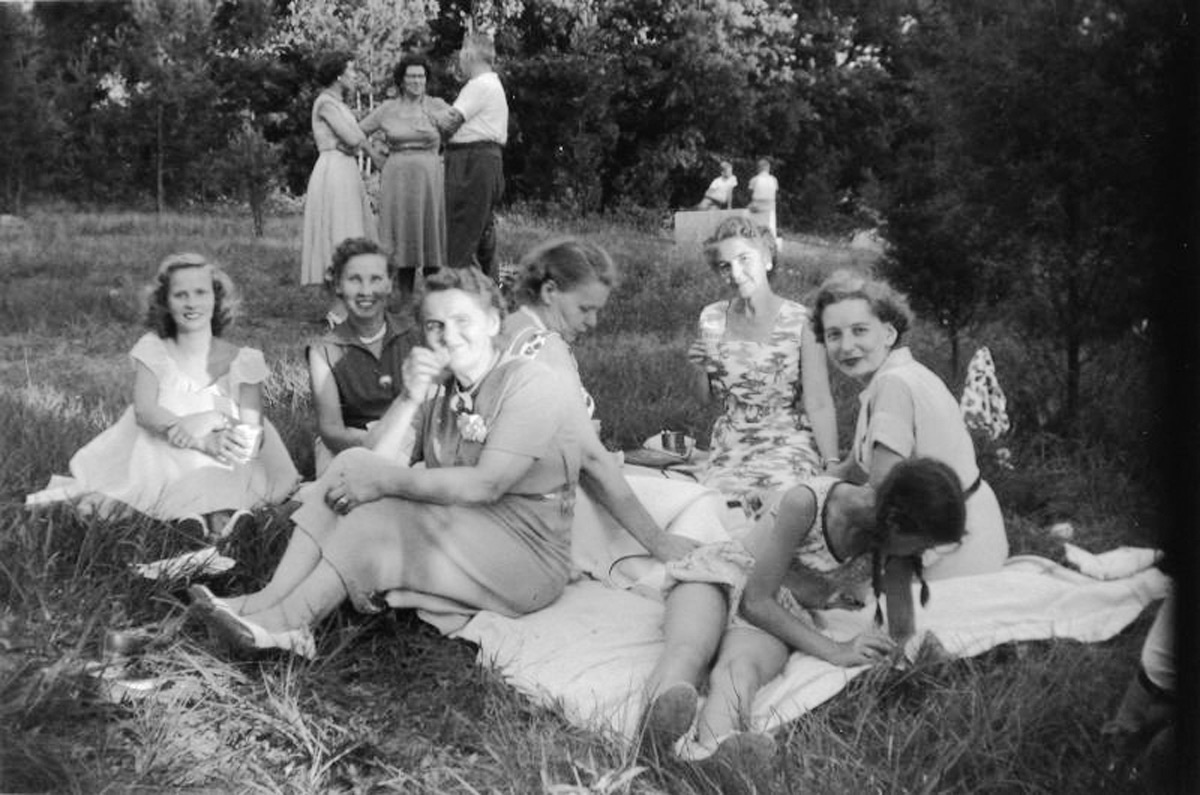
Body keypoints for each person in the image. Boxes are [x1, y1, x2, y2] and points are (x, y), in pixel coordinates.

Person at [190, 267, 583, 658]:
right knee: (351, 461)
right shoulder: (441, 388)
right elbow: (371, 464)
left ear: (493, 322)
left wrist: (385, 483)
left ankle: (292, 623)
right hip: (464, 528)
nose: (448, 335)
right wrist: (410, 396)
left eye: (463, 320)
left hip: (524, 556)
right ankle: (268, 599)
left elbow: (488, 484)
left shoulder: (529, 381)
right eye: (435, 325)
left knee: (380, 513)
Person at [642, 458, 966, 768]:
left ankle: (711, 755)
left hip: (781, 608)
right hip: (724, 574)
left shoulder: (892, 545)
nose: (923, 553)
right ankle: (652, 742)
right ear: (895, 522)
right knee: (689, 649)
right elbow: (756, 600)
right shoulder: (807, 503)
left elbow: (902, 630)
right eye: (923, 544)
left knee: (740, 669)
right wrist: (835, 649)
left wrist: (920, 657)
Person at [813, 270, 1009, 636]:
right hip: (969, 529)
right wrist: (809, 486)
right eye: (834, 335)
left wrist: (809, 514)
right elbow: (856, 464)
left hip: (951, 547)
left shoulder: (893, 386)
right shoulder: (899, 373)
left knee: (818, 589)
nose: (846, 346)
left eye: (859, 330)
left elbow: (881, 497)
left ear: (888, 333)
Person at [63, 253, 300, 538]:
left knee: (227, 452)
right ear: (165, 303)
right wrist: (198, 438)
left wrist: (216, 420)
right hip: (164, 443)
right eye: (180, 295)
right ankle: (191, 519)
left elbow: (253, 435)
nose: (191, 303)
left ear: (217, 299)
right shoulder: (155, 350)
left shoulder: (243, 361)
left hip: (224, 451)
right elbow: (145, 411)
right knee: (167, 441)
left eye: (201, 293)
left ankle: (219, 521)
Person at [505, 237, 698, 564]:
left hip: (507, 496)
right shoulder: (546, 347)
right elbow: (590, 460)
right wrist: (658, 541)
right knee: (696, 502)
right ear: (549, 291)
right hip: (535, 512)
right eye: (585, 309)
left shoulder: (504, 328)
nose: (592, 322)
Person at [688, 217, 839, 505]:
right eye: (725, 265)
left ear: (767, 258)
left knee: (779, 507)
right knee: (720, 509)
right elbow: (703, 400)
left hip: (788, 441)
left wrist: (831, 464)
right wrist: (698, 367)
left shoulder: (802, 321)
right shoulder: (711, 317)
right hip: (731, 444)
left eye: (744, 259)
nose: (736, 273)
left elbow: (819, 401)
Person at [307, 238, 417, 476]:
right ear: (338, 285)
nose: (366, 291)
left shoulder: (414, 334)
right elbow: (332, 431)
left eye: (376, 279)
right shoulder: (324, 350)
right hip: (349, 443)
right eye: (355, 279)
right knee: (340, 485)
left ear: (390, 283)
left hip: (409, 437)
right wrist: (374, 445)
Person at [359, 54, 454, 295]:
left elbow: (461, 129)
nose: (416, 81)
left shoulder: (437, 106)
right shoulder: (388, 109)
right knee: (401, 237)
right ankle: (403, 299)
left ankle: (433, 297)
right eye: (411, 76)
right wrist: (374, 154)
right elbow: (357, 131)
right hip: (397, 181)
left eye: (421, 76)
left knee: (431, 238)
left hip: (430, 180)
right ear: (401, 80)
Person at [301, 51, 378, 325]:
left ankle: (348, 304)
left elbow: (355, 139)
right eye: (351, 71)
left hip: (346, 169)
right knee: (337, 232)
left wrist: (353, 143)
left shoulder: (338, 104)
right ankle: (337, 310)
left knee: (351, 230)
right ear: (338, 75)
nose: (354, 76)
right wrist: (352, 143)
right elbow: (353, 137)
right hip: (333, 171)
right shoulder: (325, 103)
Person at [441, 33, 508, 279]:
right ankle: (490, 289)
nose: (460, 58)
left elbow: (449, 124)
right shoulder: (491, 84)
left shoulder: (479, 85)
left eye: (462, 51)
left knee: (462, 233)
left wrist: (424, 118)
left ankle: (461, 289)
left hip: (472, 162)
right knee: (482, 233)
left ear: (469, 54)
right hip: (485, 160)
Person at [747, 158, 779, 243]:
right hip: (770, 207)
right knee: (771, 225)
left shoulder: (754, 179)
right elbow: (775, 193)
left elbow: (749, 194)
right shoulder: (774, 179)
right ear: (768, 168)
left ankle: (751, 238)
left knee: (747, 213)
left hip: (756, 207)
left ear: (758, 168)